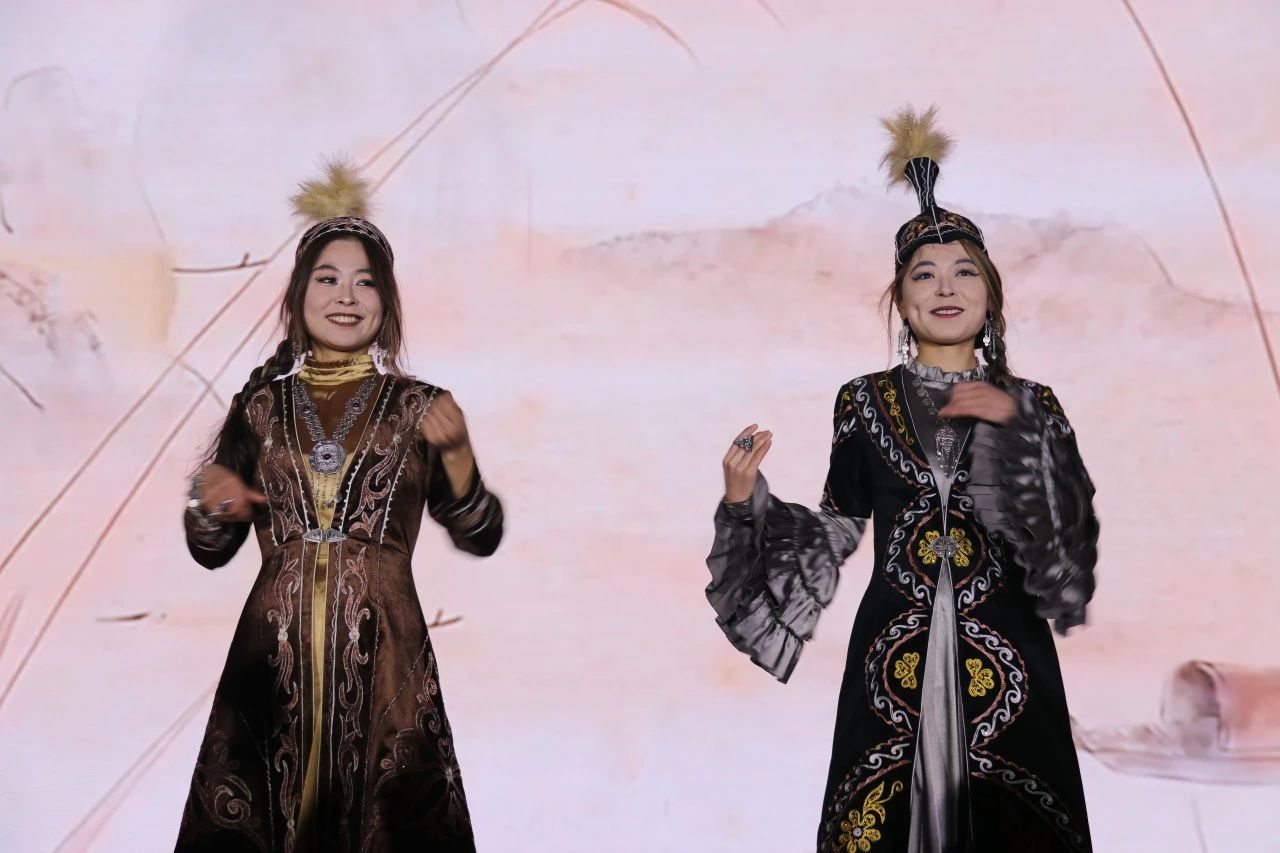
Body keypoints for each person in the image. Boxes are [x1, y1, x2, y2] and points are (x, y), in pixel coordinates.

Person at [705, 107, 1098, 852]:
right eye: (925, 274)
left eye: (964, 272)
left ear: (991, 296)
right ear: (900, 298)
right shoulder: (863, 401)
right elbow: (837, 526)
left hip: (1009, 656)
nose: (946, 286)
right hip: (894, 656)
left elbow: (1065, 549)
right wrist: (743, 502)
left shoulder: (1033, 404)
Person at [176, 162, 503, 852]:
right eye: (327, 279)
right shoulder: (258, 408)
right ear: (299, 296)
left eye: (365, 281)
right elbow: (210, 549)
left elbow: (479, 535)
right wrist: (211, 506)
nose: (346, 296)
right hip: (272, 654)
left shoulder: (421, 407)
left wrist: (458, 455)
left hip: (386, 650)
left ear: (387, 301)